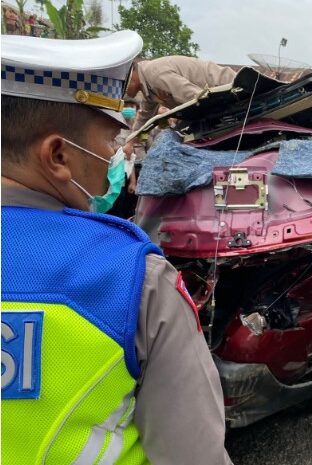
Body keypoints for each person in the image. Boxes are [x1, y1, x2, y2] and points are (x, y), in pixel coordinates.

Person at [0, 31, 233, 465]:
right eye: (109, 144)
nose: (114, 159)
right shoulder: (134, 278)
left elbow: (189, 106)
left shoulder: (159, 76)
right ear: (57, 156)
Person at [125, 55, 237, 133]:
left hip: (230, 89)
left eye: (122, 86)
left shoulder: (154, 75)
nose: (123, 92)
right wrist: (130, 142)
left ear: (130, 78)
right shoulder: (148, 85)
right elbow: (144, 117)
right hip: (216, 102)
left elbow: (198, 98)